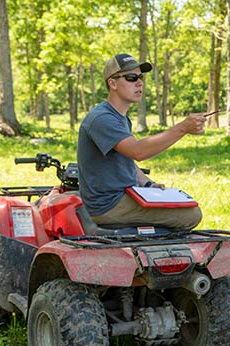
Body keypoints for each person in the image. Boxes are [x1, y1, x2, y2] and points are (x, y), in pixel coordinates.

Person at [77, 53, 205, 230]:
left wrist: (147, 184)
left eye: (141, 77)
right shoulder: (102, 118)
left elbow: (126, 158)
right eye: (131, 78)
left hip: (125, 195)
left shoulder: (120, 117)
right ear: (112, 83)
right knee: (191, 215)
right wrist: (182, 128)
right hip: (108, 206)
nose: (139, 83)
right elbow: (138, 152)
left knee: (186, 205)